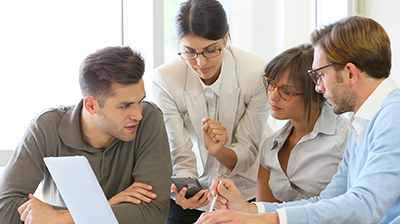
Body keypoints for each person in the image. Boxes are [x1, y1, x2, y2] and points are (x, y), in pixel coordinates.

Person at [194, 15, 400, 224]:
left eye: (320, 76)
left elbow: (364, 207)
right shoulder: (364, 122)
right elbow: (328, 200)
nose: (318, 88)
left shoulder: (394, 117)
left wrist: (266, 220)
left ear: (349, 73)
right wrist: (250, 209)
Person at [0, 46, 172, 224]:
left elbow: (154, 212)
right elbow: (5, 209)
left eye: (140, 101)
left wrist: (67, 218)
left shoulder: (149, 119)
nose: (138, 115)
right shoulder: (46, 127)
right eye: (124, 106)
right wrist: (107, 207)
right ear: (91, 105)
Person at [151, 0, 273, 223]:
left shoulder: (256, 74)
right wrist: (187, 189)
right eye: (189, 51)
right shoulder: (165, 80)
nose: (200, 62)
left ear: (226, 38)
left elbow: (248, 150)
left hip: (244, 186)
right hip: (194, 186)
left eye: (210, 50)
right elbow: (180, 153)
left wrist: (218, 151)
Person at [257, 43, 349, 203]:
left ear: (315, 92)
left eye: (286, 91)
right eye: (271, 84)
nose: (272, 96)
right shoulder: (270, 146)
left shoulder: (346, 138)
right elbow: (261, 213)